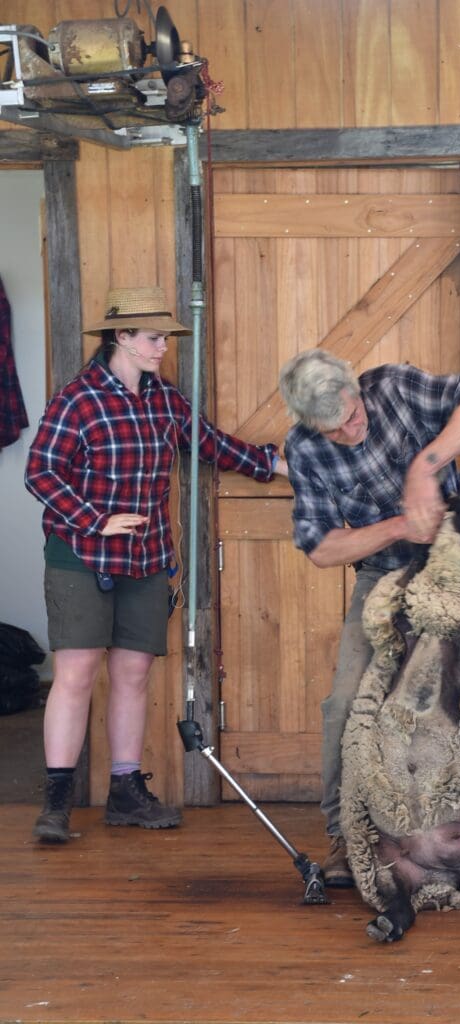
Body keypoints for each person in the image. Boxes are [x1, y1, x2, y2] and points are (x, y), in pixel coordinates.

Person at [26, 286, 288, 844]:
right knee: (74, 676)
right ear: (121, 337)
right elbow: (41, 474)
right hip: (81, 556)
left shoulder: (164, 399)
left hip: (146, 560)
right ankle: (56, 804)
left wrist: (275, 465)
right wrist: (95, 519)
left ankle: (125, 791)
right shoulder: (78, 399)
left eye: (165, 337)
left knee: (133, 673)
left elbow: (209, 444)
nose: (162, 347)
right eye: (153, 337)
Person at [279, 348, 460, 887]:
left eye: (352, 416)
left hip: (456, 568)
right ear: (307, 425)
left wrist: (426, 464)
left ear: (356, 388)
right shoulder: (304, 450)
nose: (349, 431)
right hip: (383, 579)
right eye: (334, 430)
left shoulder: (393, 388)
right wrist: (397, 527)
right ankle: (348, 842)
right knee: (346, 702)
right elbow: (322, 547)